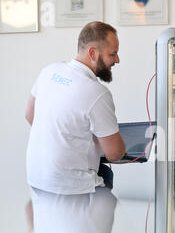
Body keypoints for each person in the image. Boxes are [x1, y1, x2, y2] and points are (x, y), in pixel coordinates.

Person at [25, 21, 126, 194]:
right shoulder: (96, 92)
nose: (117, 60)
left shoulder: (49, 71)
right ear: (93, 53)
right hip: (72, 189)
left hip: (37, 180)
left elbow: (29, 115)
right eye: (113, 54)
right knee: (106, 174)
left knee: (103, 169)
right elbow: (115, 154)